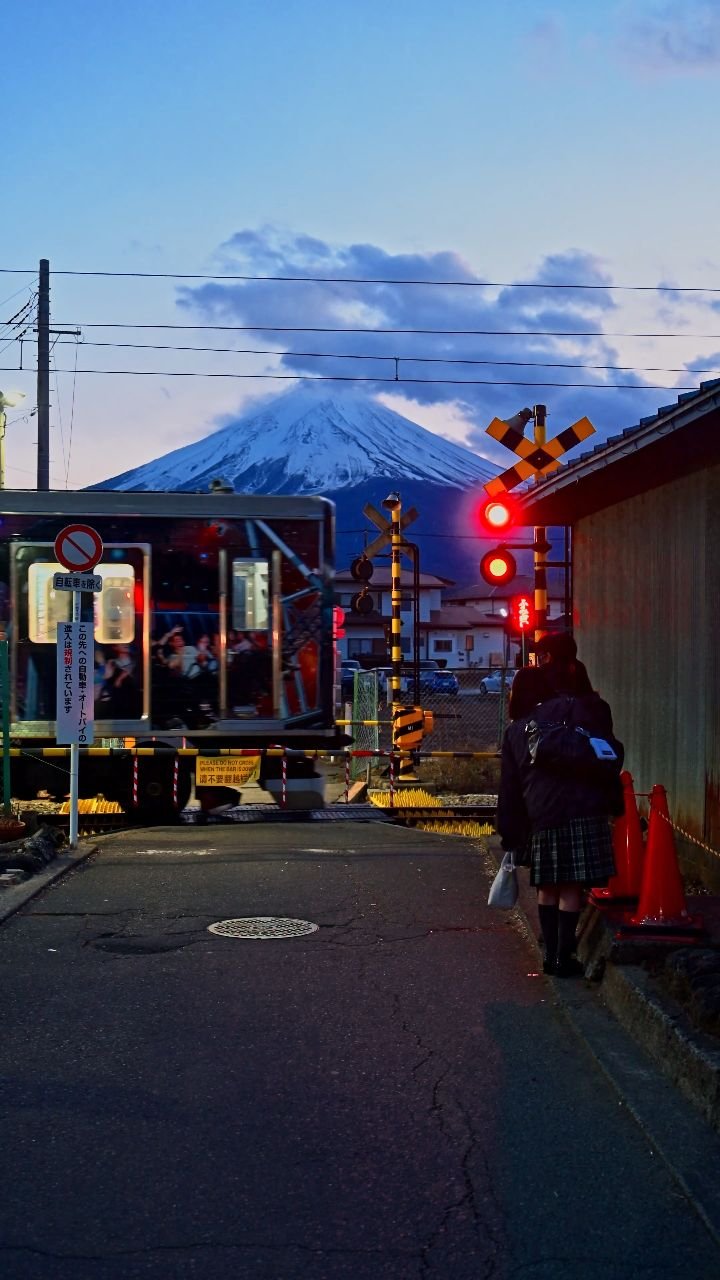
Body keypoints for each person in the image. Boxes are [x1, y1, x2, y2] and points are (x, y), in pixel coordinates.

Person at [497, 665, 623, 978]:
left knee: (548, 888)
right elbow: (606, 752)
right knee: (571, 887)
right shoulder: (574, 711)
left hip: (543, 815)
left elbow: (510, 790)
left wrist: (510, 834)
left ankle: (549, 955)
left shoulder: (516, 731)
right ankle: (564, 959)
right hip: (584, 809)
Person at [535, 631, 593, 696]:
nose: (540, 664)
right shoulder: (579, 668)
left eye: (541, 657)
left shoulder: (547, 686)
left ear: (548, 656)